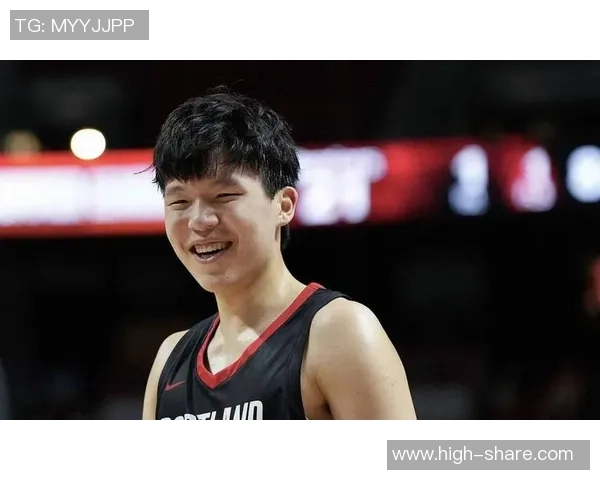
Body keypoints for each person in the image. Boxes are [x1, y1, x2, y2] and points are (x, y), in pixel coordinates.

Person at [142, 90, 416, 420]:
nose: (199, 221)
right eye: (180, 202)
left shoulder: (339, 332)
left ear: (284, 205)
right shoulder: (171, 360)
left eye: (224, 196)